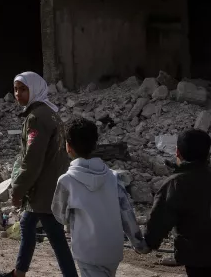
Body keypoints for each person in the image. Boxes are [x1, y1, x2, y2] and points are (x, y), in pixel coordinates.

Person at [0, 72, 77, 277]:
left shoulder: (36, 118)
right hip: (49, 185)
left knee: (56, 237)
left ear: (34, 89)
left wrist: (18, 189)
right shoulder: (48, 112)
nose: (18, 94)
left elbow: (33, 159)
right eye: (15, 89)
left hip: (43, 189)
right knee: (27, 225)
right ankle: (19, 272)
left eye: (23, 89)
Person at [52, 118, 146, 277]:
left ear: (68, 146)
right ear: (95, 144)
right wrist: (139, 244)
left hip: (87, 252)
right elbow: (126, 213)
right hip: (113, 252)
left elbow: (61, 216)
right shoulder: (113, 178)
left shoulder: (66, 181)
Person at [144, 129, 211, 277]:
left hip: (198, 256)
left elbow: (160, 218)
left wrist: (149, 243)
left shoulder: (176, 183)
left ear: (177, 153)